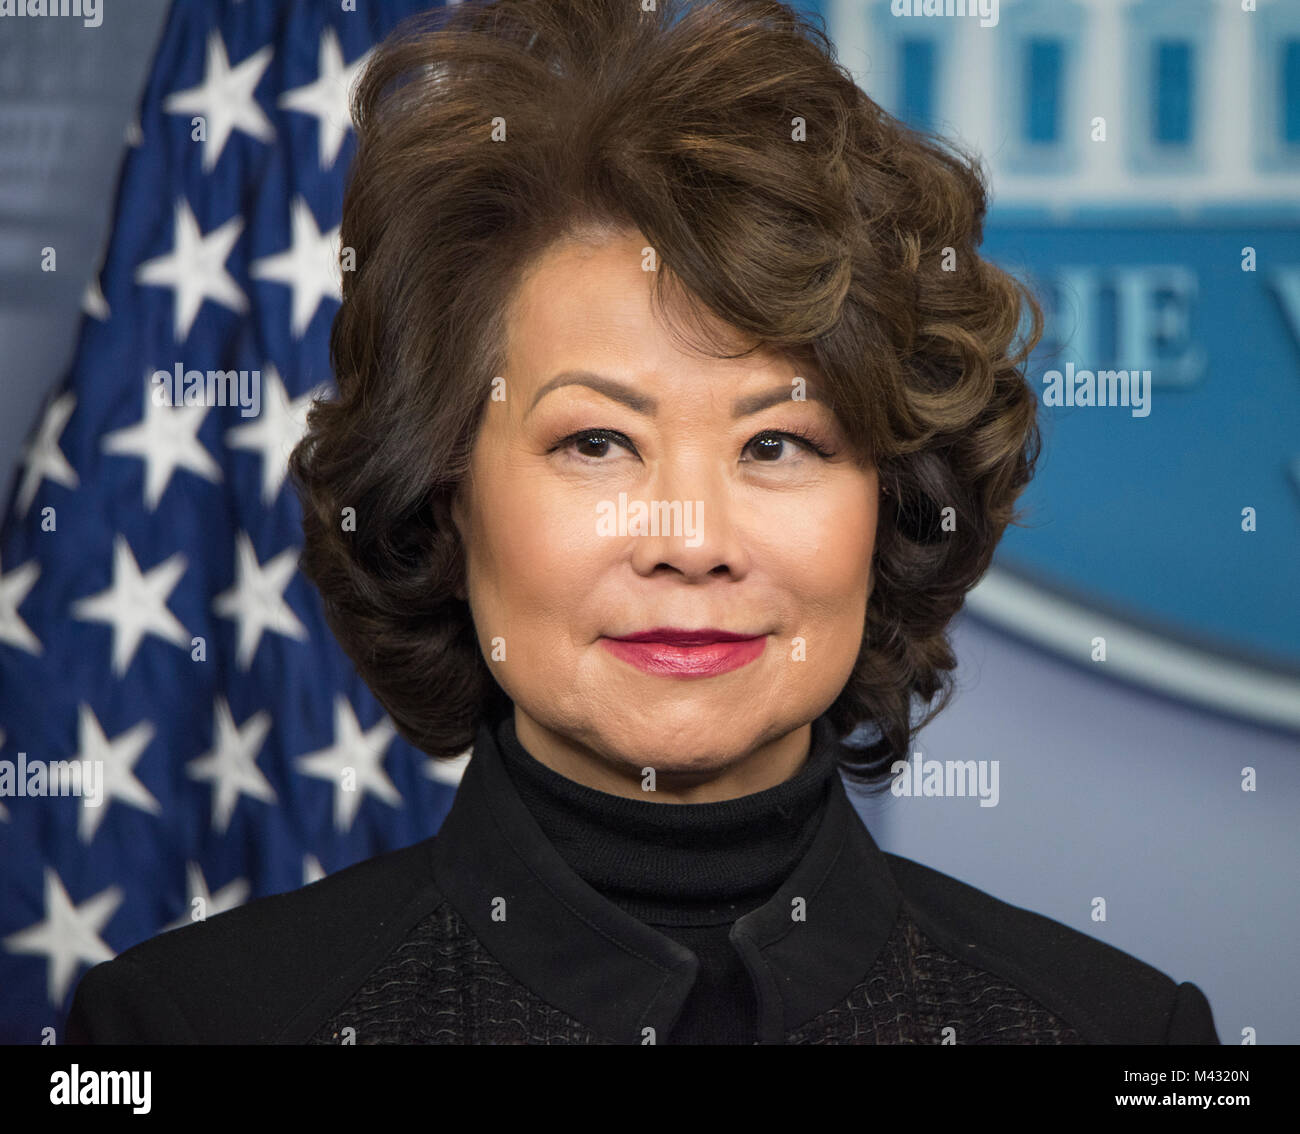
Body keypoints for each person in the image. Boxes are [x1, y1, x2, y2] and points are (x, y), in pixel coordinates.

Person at [66, 0, 1218, 1044]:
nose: (690, 535)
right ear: (445, 493)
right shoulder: (175, 1030)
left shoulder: (1121, 1036)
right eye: (596, 443)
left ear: (894, 504)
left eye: (778, 444)